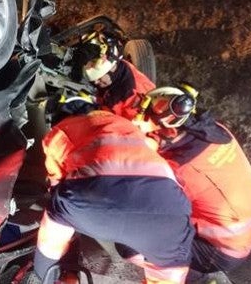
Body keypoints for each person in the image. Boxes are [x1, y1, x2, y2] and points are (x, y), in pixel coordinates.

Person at [32, 94, 195, 284]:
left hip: (96, 201)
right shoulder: (126, 125)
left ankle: (41, 277)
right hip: (171, 209)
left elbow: (56, 182)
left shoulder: (60, 130)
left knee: (56, 222)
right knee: (168, 277)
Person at [136, 84, 251, 275]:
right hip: (240, 237)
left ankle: (191, 277)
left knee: (137, 238)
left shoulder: (180, 170)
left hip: (218, 252)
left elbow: (150, 205)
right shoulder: (215, 131)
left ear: (170, 132)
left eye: (151, 130)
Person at [81, 33, 155, 121]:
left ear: (112, 69)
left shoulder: (124, 98)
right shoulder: (121, 66)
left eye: (99, 78)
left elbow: (107, 121)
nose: (96, 82)